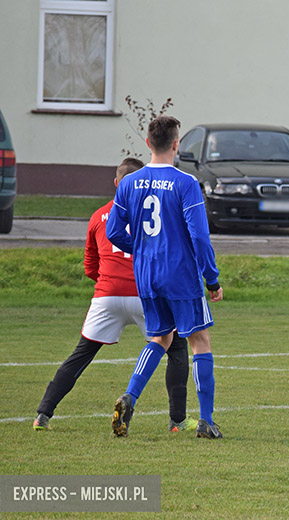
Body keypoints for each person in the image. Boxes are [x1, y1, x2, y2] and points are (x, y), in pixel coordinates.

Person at [32, 158, 196, 433]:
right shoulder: (155, 213)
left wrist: (108, 283)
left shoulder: (99, 216)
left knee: (81, 354)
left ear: (116, 183)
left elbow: (90, 266)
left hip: (106, 296)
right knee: (176, 347)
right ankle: (177, 421)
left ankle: (42, 415)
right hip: (146, 293)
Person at [106, 116, 224, 439]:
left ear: (147, 144)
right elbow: (200, 238)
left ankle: (129, 397)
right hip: (180, 274)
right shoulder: (186, 184)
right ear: (176, 144)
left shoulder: (129, 183)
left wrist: (143, 248)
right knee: (199, 340)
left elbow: (113, 230)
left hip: (146, 274)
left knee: (160, 338)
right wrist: (212, 279)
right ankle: (206, 420)